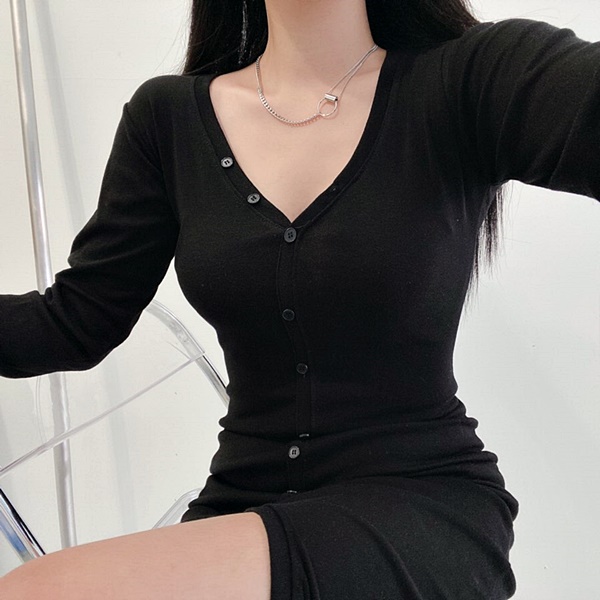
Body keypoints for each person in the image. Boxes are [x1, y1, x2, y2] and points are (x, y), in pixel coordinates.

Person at [0, 0, 598, 598]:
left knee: (40, 592)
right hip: (241, 503)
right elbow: (74, 321)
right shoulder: (166, 120)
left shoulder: (469, 79)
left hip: (421, 501)